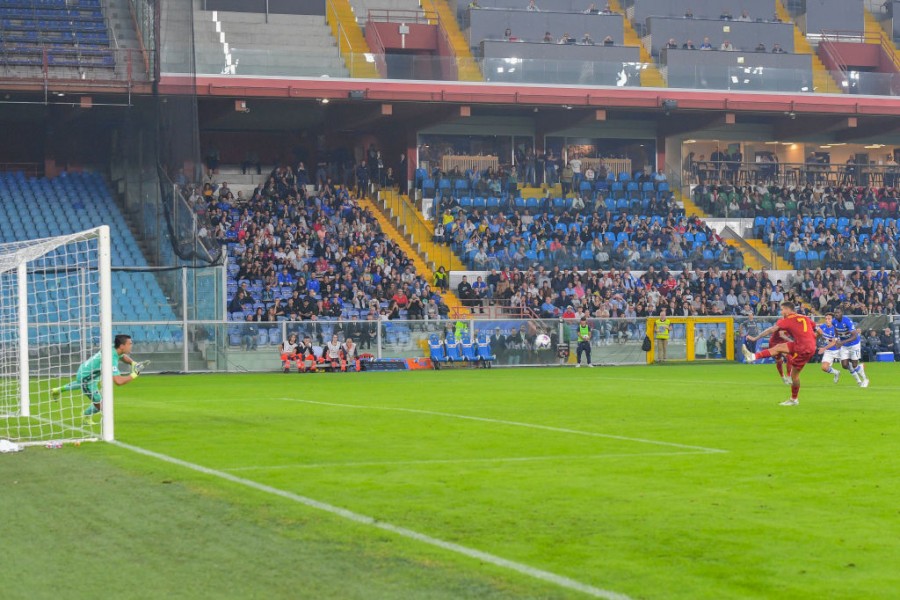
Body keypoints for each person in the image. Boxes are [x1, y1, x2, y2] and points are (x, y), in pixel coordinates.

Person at [741, 302, 818, 406]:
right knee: (779, 350)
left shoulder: (788, 320)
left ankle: (794, 399)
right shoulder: (804, 317)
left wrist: (755, 338)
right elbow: (820, 331)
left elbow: (771, 330)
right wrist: (811, 341)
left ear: (787, 310)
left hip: (802, 347)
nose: (781, 312)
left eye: (782, 310)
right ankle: (794, 399)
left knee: (794, 374)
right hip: (807, 345)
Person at [51, 334, 144, 416]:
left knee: (81, 386)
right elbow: (118, 381)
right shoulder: (111, 358)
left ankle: (58, 390)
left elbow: (122, 356)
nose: (131, 346)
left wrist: (134, 363)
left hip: (88, 371)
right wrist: (135, 374)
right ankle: (85, 415)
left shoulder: (113, 349)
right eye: (130, 344)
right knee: (103, 406)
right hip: (86, 378)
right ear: (122, 346)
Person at [832, 307, 869, 387]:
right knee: (844, 365)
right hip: (844, 345)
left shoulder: (847, 321)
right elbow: (835, 330)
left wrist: (842, 342)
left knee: (854, 365)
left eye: (838, 312)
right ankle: (860, 371)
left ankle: (865, 379)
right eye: (835, 313)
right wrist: (836, 339)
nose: (836, 314)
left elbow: (855, 335)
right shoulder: (834, 321)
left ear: (842, 313)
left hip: (854, 344)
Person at [817, 312, 842, 384]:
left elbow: (833, 342)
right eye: (826, 319)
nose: (827, 320)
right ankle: (836, 372)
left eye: (829, 319)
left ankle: (860, 374)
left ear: (833, 320)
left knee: (848, 366)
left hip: (839, 350)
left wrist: (823, 348)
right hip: (828, 351)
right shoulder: (823, 326)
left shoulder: (836, 328)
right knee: (824, 368)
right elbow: (818, 333)